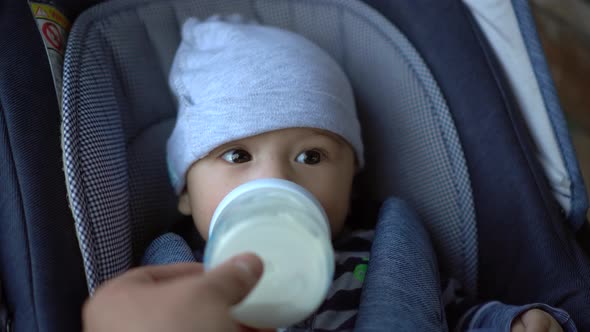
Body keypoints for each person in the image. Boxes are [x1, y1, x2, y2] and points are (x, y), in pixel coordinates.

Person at [140, 17, 575, 332]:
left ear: (352, 180)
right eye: (236, 156)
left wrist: (506, 323)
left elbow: (452, 318)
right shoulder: (176, 280)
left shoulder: (375, 260)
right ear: (185, 192)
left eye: (311, 156)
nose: (276, 181)